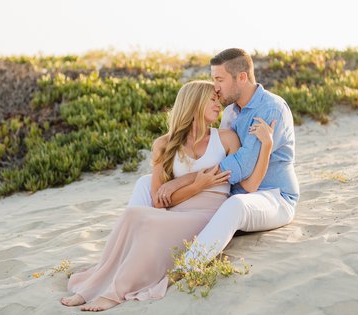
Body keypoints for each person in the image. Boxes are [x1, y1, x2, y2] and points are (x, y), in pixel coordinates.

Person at [61, 80, 276, 311]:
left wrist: (267, 145)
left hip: (209, 215)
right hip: (177, 211)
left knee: (146, 222)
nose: (218, 104)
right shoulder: (165, 144)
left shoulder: (226, 139)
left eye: (217, 99)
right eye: (211, 100)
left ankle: (114, 293)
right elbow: (157, 200)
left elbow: (250, 185)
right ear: (194, 104)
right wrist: (197, 185)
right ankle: (89, 288)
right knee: (134, 215)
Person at [128, 48, 299, 264]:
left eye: (219, 79)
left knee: (235, 205)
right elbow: (220, 156)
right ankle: (128, 246)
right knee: (146, 183)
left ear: (242, 77)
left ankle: (188, 267)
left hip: (271, 196)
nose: (215, 88)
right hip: (231, 193)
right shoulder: (229, 112)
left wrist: (181, 182)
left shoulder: (270, 109)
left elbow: (241, 166)